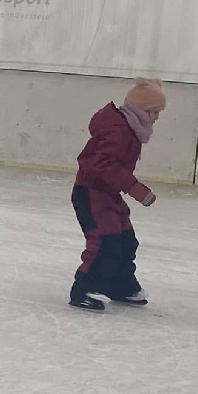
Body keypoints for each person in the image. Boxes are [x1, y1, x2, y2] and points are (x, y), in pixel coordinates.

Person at [68, 77, 166, 311]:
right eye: (154, 112)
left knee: (125, 240)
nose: (157, 118)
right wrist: (135, 188)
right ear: (141, 110)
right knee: (106, 240)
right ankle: (84, 288)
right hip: (91, 192)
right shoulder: (120, 131)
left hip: (107, 192)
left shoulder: (130, 127)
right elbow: (104, 166)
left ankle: (120, 285)